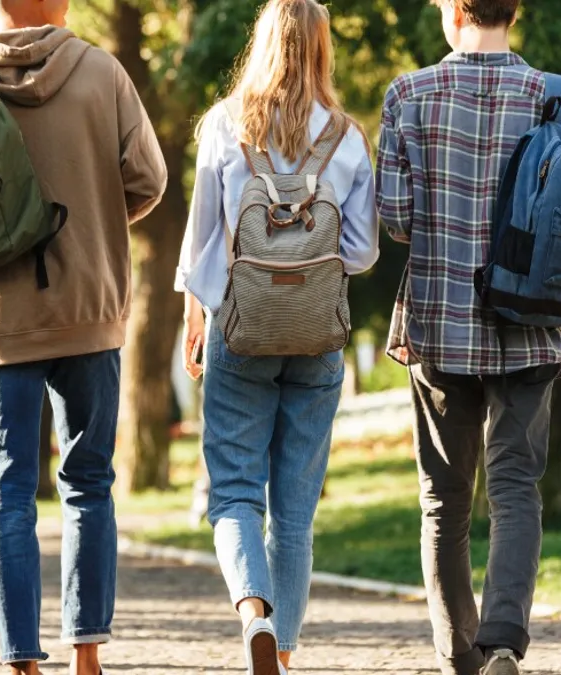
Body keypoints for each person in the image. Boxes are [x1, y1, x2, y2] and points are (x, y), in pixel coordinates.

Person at [0, 1, 168, 673]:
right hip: (90, 306)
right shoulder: (103, 73)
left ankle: (22, 660)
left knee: (7, 489)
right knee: (88, 484)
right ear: (59, 4)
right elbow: (149, 180)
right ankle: (87, 653)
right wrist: (95, 218)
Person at [375, 1, 561, 673]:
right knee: (515, 487)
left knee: (445, 499)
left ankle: (460, 655)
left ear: (452, 11)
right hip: (533, 320)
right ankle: (504, 637)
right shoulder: (560, 97)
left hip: (441, 322)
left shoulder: (407, 95)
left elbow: (395, 218)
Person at [175, 0, 378, 672]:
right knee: (294, 511)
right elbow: (361, 251)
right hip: (318, 337)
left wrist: (194, 315)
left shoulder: (223, 127)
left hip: (242, 327)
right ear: (322, 50)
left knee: (233, 489)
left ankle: (254, 614)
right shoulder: (347, 138)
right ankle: (283, 655)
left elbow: (204, 238)